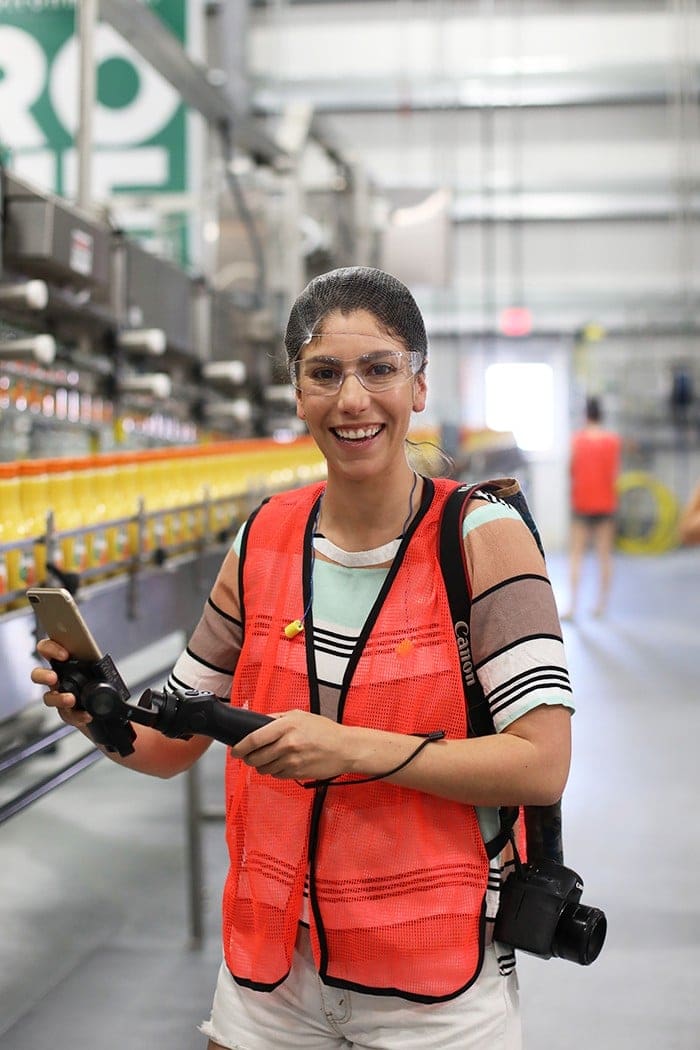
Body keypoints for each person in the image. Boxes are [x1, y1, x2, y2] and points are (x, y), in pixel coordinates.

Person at [32, 266, 573, 1050]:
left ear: (417, 387)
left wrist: (349, 748)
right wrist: (95, 712)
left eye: (379, 369)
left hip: (435, 983)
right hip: (272, 974)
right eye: (324, 374)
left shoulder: (481, 539)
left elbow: (540, 764)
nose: (351, 400)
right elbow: (168, 745)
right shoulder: (265, 539)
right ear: (298, 395)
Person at [564, 395, 622, 620]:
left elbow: (571, 470)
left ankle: (573, 606)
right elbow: (613, 472)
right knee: (604, 555)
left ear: (585, 415)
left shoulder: (577, 440)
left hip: (582, 503)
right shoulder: (612, 441)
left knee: (576, 554)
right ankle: (601, 605)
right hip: (606, 503)